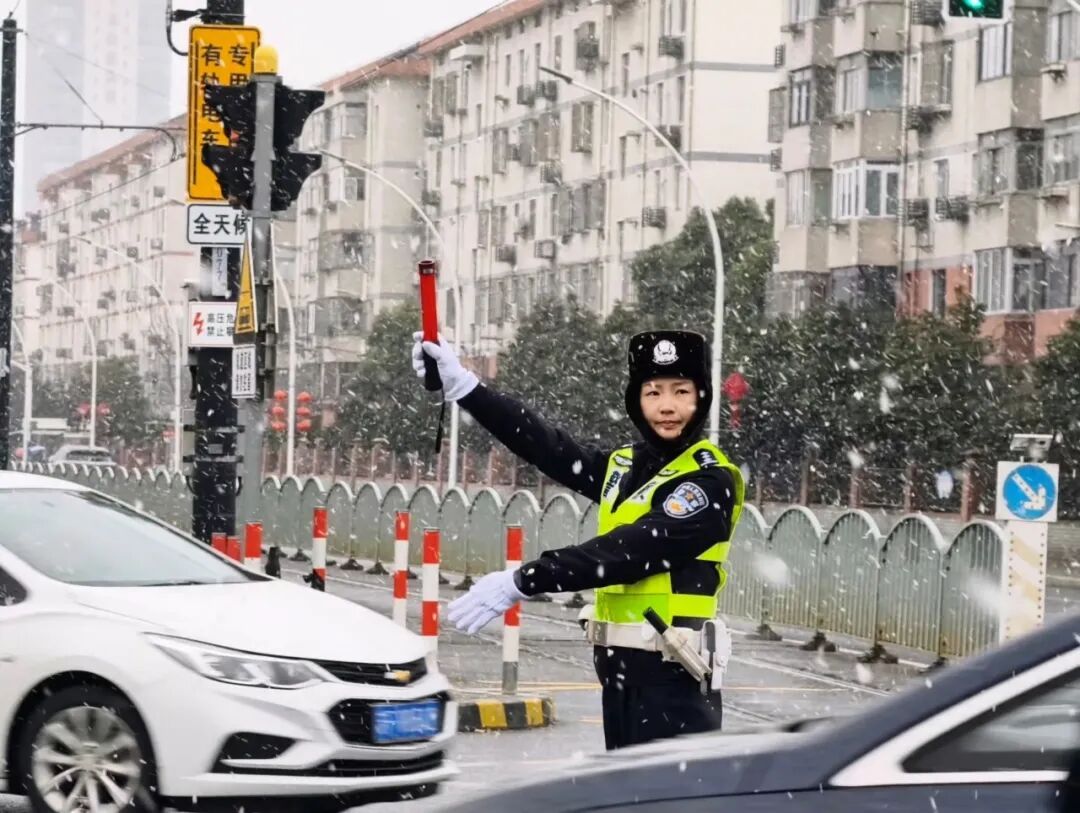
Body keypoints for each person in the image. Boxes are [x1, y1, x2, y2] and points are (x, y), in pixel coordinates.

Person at [411, 329, 744, 751]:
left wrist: (525, 579)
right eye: (653, 391)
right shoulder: (624, 466)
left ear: (701, 398)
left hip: (675, 680)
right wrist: (466, 387)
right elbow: (546, 446)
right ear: (635, 399)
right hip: (622, 679)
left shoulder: (710, 479)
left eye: (681, 391)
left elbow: (634, 549)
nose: (666, 406)